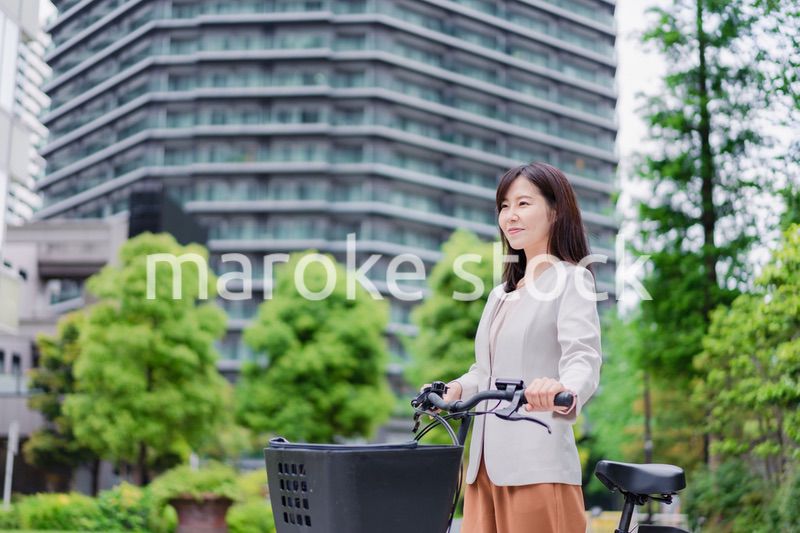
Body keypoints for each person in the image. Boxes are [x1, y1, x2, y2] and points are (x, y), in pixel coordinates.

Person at [426, 162, 602, 533]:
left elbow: (582, 356)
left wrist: (562, 389)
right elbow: (485, 372)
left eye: (523, 203)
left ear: (555, 212)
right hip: (483, 469)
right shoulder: (500, 295)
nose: (510, 216)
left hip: (536, 463)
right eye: (504, 206)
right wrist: (455, 388)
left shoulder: (572, 279)